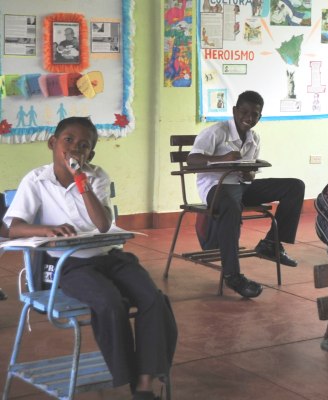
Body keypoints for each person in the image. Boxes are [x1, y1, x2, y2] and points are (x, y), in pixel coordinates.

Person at [2, 117, 177, 400]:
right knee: (109, 301)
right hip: (68, 264)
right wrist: (46, 229)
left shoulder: (97, 177)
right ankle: (128, 373)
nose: (74, 149)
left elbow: (103, 224)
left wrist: (81, 182)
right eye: (68, 141)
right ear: (52, 144)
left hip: (109, 256)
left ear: (90, 154)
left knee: (153, 299)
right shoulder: (36, 181)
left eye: (83, 146)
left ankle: (143, 386)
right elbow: (13, 227)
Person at [187, 90, 305, 298]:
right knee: (231, 206)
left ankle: (271, 244)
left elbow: (250, 176)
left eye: (255, 115)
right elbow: (192, 160)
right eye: (244, 112)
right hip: (216, 186)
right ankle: (232, 275)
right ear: (235, 111)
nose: (249, 118)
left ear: (260, 116)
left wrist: (248, 172)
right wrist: (223, 159)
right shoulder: (217, 132)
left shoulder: (254, 138)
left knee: (295, 186)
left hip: (242, 187)